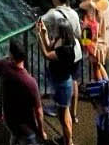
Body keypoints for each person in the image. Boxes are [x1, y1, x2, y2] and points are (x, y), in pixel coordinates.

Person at [35, 12, 79, 145]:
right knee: (64, 114)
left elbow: (47, 54)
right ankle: (66, 139)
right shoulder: (62, 40)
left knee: (63, 117)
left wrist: (38, 37)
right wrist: (43, 33)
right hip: (61, 83)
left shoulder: (66, 50)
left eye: (57, 28)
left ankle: (68, 141)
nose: (55, 30)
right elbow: (49, 45)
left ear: (63, 31)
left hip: (63, 85)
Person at [80, 0, 109, 72]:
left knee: (96, 68)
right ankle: (105, 84)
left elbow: (82, 5)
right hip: (105, 37)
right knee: (99, 66)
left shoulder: (92, 4)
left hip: (95, 41)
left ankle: (103, 85)